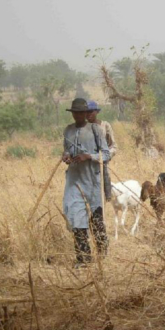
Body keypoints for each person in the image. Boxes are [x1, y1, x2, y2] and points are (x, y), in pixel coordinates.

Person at [62, 98, 111, 267]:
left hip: (92, 180)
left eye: (81, 112)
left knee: (96, 219)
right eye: (75, 113)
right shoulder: (67, 131)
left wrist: (88, 156)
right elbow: (66, 150)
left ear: (86, 113)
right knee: (76, 218)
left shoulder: (96, 130)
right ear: (73, 113)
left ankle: (103, 253)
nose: (78, 115)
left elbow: (106, 154)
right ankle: (83, 259)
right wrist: (66, 157)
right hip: (74, 180)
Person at [86, 100, 118, 202]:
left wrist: (105, 156)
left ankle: (107, 196)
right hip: (86, 162)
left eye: (91, 111)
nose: (89, 114)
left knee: (105, 176)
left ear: (97, 112)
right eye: (86, 112)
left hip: (101, 162)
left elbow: (113, 146)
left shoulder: (105, 126)